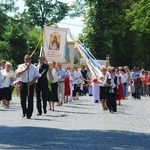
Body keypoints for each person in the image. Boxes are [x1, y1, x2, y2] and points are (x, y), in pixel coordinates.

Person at [16, 55, 40, 119]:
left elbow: (37, 76)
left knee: (30, 99)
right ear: (24, 59)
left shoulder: (34, 67)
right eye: (26, 59)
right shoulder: (21, 66)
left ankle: (29, 114)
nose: (27, 60)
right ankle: (24, 111)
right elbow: (18, 74)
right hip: (23, 84)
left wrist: (31, 82)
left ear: (30, 60)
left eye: (28, 59)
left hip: (30, 84)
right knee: (23, 100)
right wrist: (25, 69)